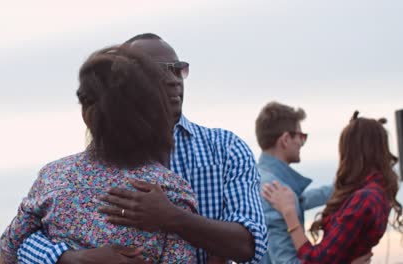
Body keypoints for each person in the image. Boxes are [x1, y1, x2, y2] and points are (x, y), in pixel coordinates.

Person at [17, 33, 268, 264]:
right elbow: (18, 242)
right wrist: (74, 258)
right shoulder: (68, 174)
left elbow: (251, 244)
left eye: (178, 69)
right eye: (157, 72)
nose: (173, 80)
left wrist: (173, 217)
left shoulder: (225, 149)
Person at [0, 46, 199, 263]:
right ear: (154, 112)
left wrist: (63, 258)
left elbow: (9, 251)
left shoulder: (53, 177)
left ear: (87, 114)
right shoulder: (171, 191)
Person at [262, 111, 403, 263]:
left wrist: (289, 213)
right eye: (301, 136)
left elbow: (315, 260)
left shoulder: (364, 198)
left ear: (350, 152)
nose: (302, 142)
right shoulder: (377, 192)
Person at [255, 102, 333, 264]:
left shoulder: (259, 179)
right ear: (285, 139)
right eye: (301, 136)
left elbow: (302, 199)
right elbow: (286, 261)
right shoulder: (275, 190)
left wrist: (346, 186)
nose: (301, 143)